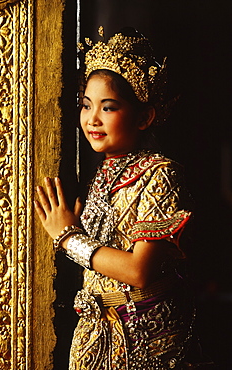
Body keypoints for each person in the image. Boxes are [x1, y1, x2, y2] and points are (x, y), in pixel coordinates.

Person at [35, 27, 208, 369]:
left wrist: (69, 238)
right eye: (86, 106)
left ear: (144, 116)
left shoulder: (161, 173)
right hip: (96, 328)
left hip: (147, 335)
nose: (92, 119)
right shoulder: (101, 173)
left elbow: (139, 271)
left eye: (108, 108)